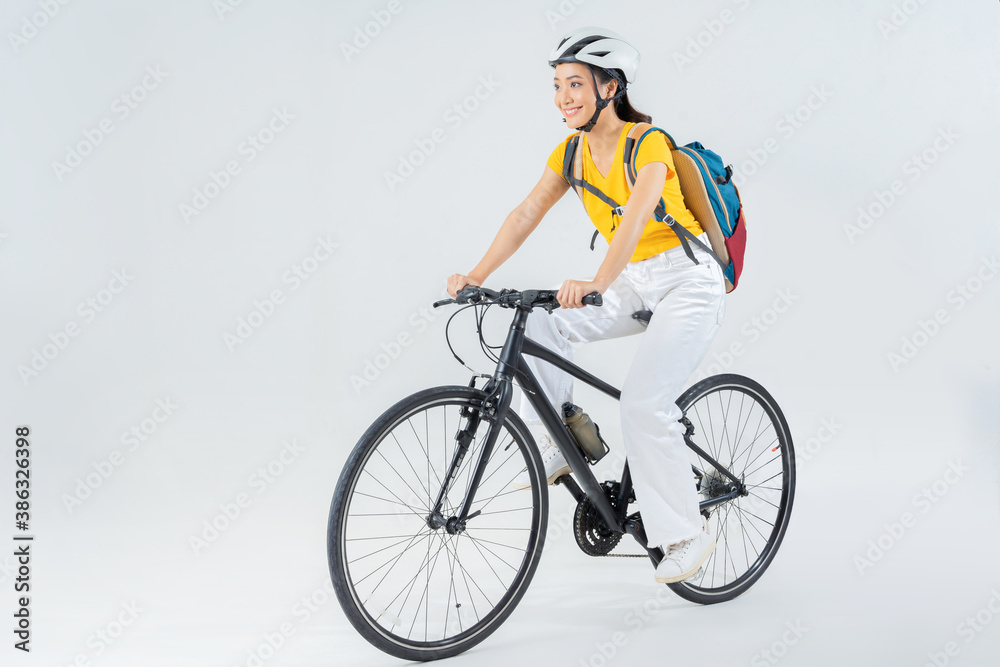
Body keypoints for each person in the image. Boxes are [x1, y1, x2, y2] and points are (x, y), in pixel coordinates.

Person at [445, 27, 725, 584]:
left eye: (575, 84)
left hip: (687, 278)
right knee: (544, 324)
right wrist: (476, 275)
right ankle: (557, 441)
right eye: (557, 86)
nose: (563, 97)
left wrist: (598, 281)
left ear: (610, 87)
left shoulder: (648, 142)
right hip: (632, 278)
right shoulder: (570, 151)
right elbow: (527, 213)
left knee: (644, 405)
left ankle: (686, 533)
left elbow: (642, 213)